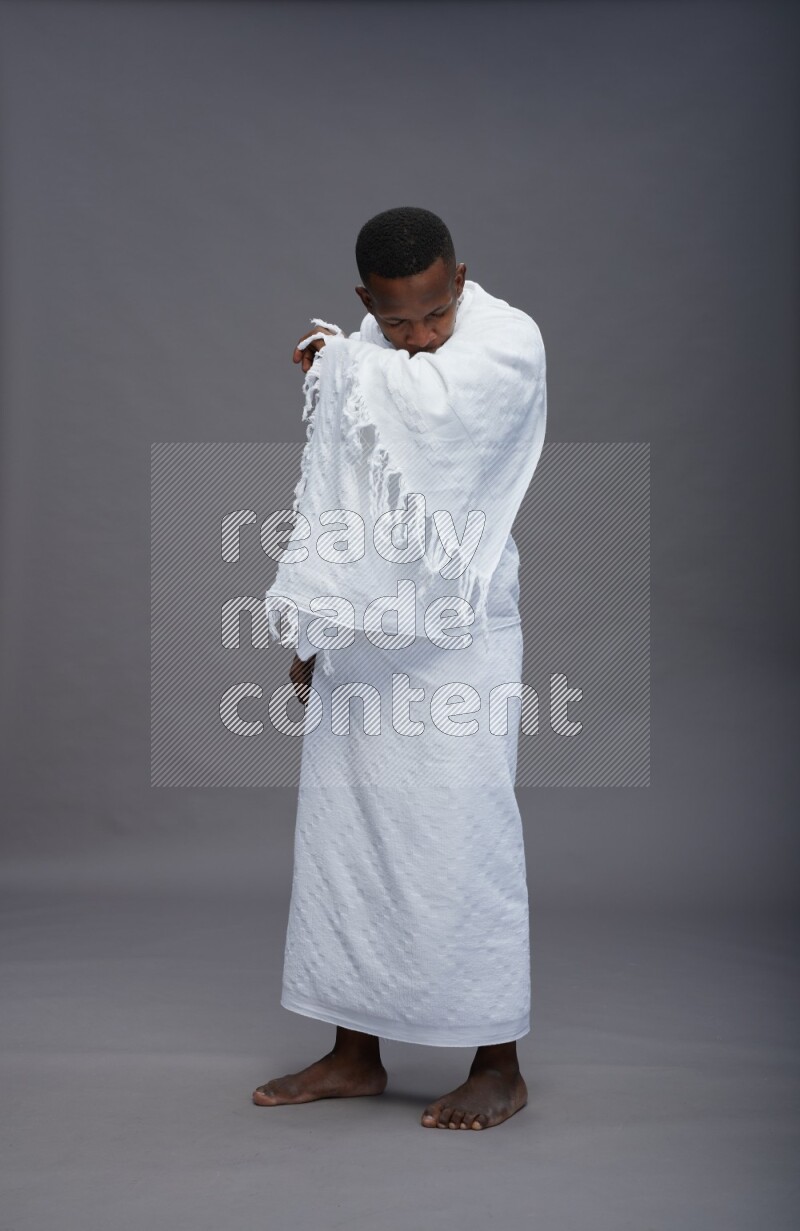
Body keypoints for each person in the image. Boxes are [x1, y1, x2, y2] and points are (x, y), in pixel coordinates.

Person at [254, 207, 547, 1129]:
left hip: (460, 634)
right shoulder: (368, 354)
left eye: (432, 314)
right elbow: (342, 485)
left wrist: (342, 360)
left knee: (464, 838)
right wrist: (311, 633)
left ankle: (497, 1060)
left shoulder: (507, 343)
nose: (418, 336)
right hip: (364, 634)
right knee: (349, 841)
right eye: (395, 320)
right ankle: (355, 1052)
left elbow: (432, 415)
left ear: (461, 277)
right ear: (364, 300)